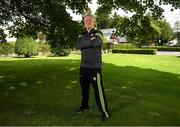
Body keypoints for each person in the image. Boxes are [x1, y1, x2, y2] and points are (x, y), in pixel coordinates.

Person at [75, 15, 110, 121]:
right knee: (84, 90)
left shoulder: (98, 32)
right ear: (84, 22)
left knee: (98, 91)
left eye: (90, 20)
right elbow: (77, 45)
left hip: (94, 67)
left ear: (94, 21)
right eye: (86, 20)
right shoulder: (82, 34)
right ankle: (84, 106)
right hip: (83, 67)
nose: (88, 22)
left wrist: (84, 42)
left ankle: (104, 112)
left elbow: (97, 42)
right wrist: (89, 41)